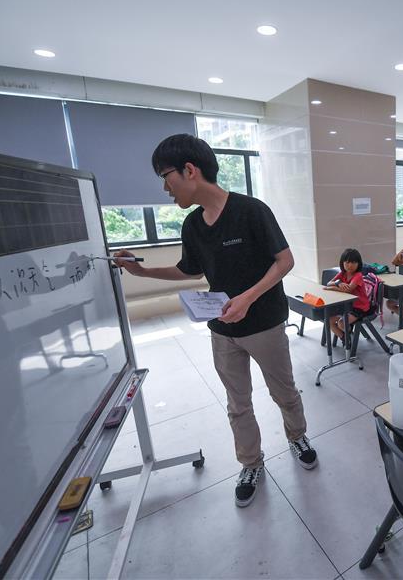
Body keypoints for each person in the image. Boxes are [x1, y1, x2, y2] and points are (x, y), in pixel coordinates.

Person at [114, 133, 316, 508]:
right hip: (222, 331)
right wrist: (140, 273)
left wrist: (248, 297)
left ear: (190, 170)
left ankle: (297, 436)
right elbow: (188, 271)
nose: (164, 187)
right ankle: (251, 463)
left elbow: (285, 260)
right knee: (238, 403)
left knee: (283, 391)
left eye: (166, 176)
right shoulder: (192, 226)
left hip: (266, 325)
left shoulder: (251, 210)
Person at [324, 248, 371, 341]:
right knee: (328, 321)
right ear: (342, 263)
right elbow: (328, 283)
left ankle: (348, 332)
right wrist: (338, 283)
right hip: (346, 305)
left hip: (359, 307)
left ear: (358, 264)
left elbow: (348, 290)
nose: (350, 265)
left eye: (353, 262)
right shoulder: (342, 273)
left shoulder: (358, 275)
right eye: (347, 262)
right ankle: (345, 338)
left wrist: (332, 288)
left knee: (342, 323)